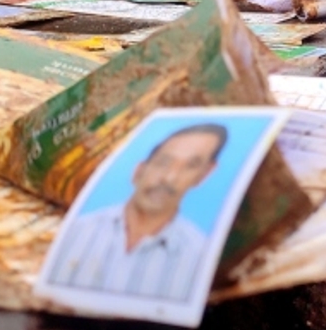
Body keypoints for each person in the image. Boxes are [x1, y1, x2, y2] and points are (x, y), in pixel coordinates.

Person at [45, 122, 227, 302]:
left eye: (191, 166)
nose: (169, 178)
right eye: (163, 162)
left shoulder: (200, 258)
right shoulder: (75, 231)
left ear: (204, 175)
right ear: (139, 171)